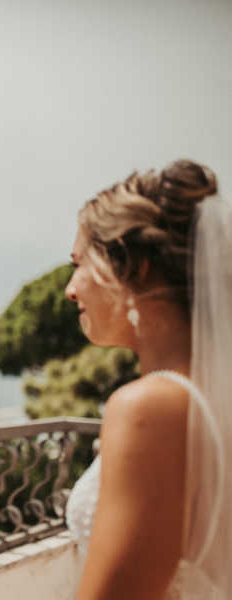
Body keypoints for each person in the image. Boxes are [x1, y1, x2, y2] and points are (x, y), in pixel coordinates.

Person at [63, 159, 232, 599]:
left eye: (79, 263)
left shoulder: (150, 407)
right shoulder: (208, 398)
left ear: (131, 267)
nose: (70, 288)